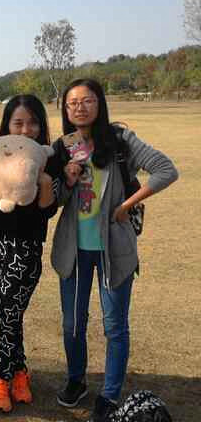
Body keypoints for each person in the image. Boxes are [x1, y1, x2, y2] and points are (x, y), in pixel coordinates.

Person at [49, 79, 178, 422]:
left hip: (114, 248)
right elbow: (55, 200)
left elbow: (166, 170)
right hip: (74, 249)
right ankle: (76, 380)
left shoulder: (120, 141)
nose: (79, 107)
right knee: (72, 324)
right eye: (72, 102)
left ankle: (109, 395)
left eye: (87, 100)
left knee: (115, 326)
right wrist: (68, 179)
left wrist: (126, 205)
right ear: (65, 109)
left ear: (100, 103)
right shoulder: (64, 146)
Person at [0, 95, 57, 413]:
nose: (25, 129)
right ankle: (20, 372)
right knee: (7, 316)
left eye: (32, 123)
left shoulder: (47, 158)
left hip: (26, 248)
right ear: (7, 124)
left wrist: (44, 182)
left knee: (9, 314)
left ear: (41, 126)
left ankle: (1, 380)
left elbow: (48, 210)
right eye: (18, 122)